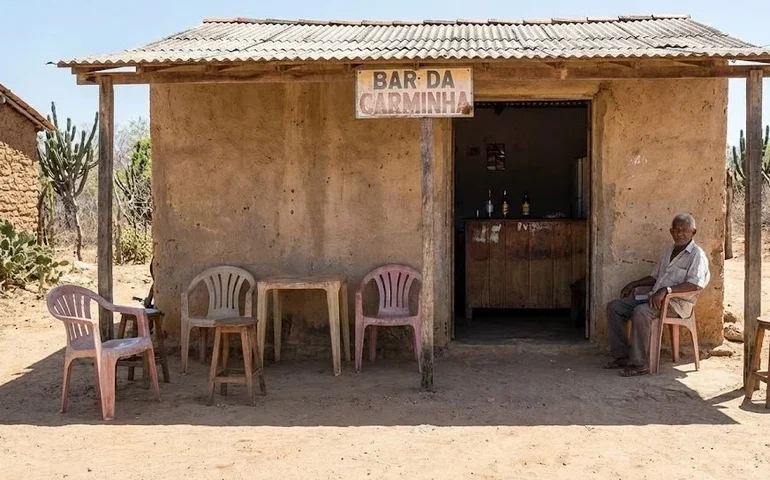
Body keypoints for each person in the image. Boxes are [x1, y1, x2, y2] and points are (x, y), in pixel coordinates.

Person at [605, 214, 710, 377]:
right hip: (655, 299)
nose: (679, 234)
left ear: (693, 232)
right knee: (615, 307)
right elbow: (655, 277)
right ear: (670, 231)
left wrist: (666, 291)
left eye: (684, 230)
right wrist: (633, 284)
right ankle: (623, 357)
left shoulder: (697, 255)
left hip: (677, 305)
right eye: (676, 230)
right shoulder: (669, 250)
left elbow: (695, 284)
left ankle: (640, 364)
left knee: (641, 312)